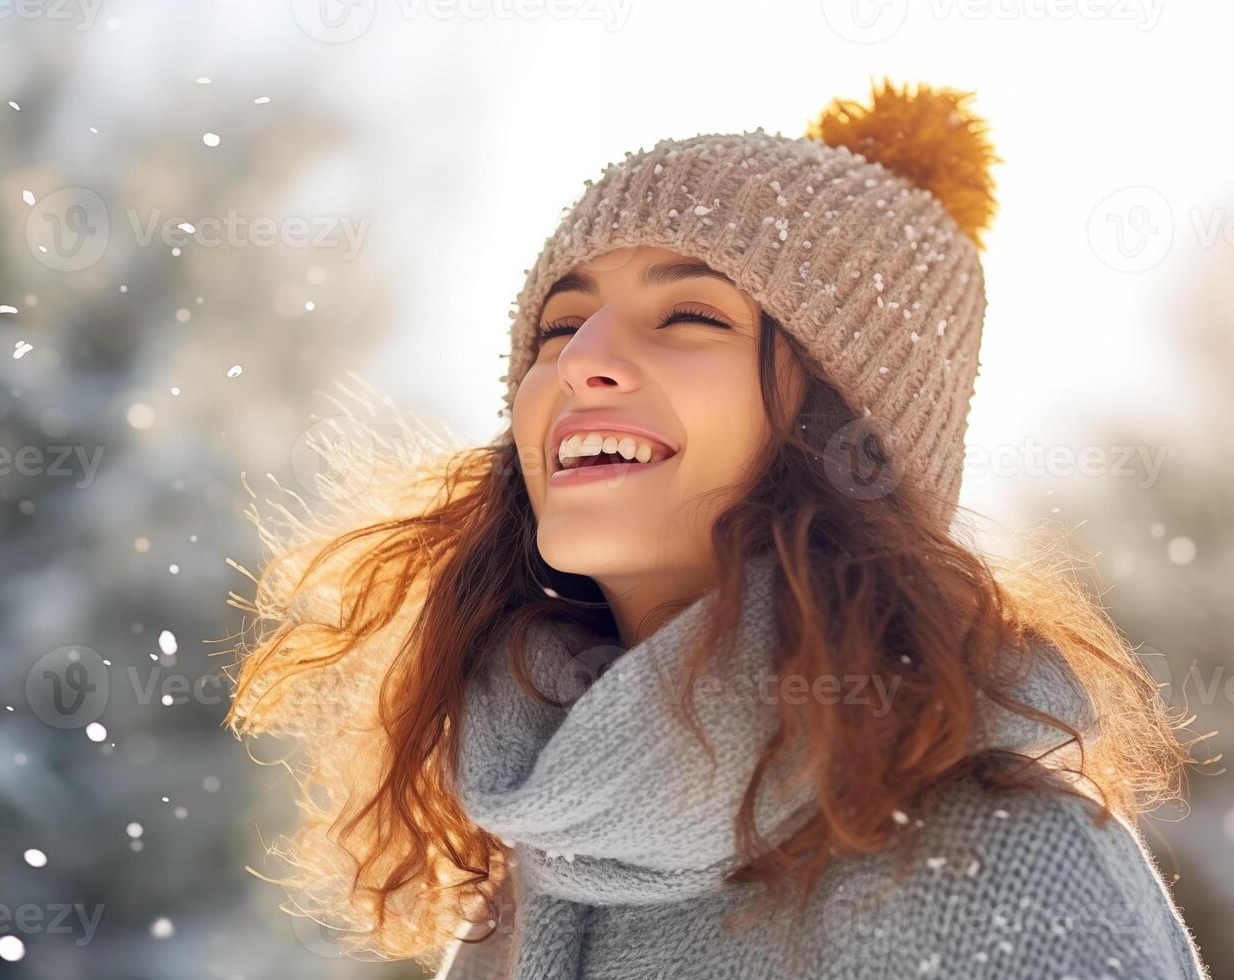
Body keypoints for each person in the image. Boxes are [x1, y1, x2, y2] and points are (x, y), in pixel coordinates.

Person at [224, 79, 1211, 979]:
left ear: (838, 430)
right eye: (557, 330)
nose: (582, 363)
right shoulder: (535, 865)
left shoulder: (991, 859)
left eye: (688, 316)